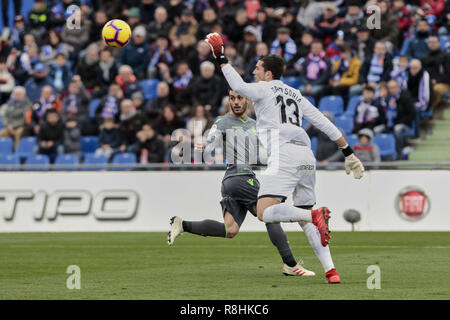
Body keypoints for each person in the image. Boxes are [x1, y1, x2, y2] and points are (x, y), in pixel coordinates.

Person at [204, 32, 365, 283]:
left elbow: (238, 87)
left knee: (265, 213)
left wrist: (221, 57)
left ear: (268, 74)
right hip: (306, 156)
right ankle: (331, 271)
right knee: (304, 216)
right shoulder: (296, 94)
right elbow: (322, 122)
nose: (254, 72)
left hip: (284, 154)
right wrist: (348, 152)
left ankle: (315, 215)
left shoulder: (263, 88)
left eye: (257, 69)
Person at [168, 89, 316, 278]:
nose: (235, 102)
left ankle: (183, 225)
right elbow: (213, 135)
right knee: (270, 214)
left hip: (232, 182)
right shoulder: (223, 121)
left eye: (239, 98)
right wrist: (206, 144)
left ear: (247, 100)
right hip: (240, 177)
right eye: (232, 98)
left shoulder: (256, 125)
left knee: (230, 229)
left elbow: (259, 156)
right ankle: (290, 265)